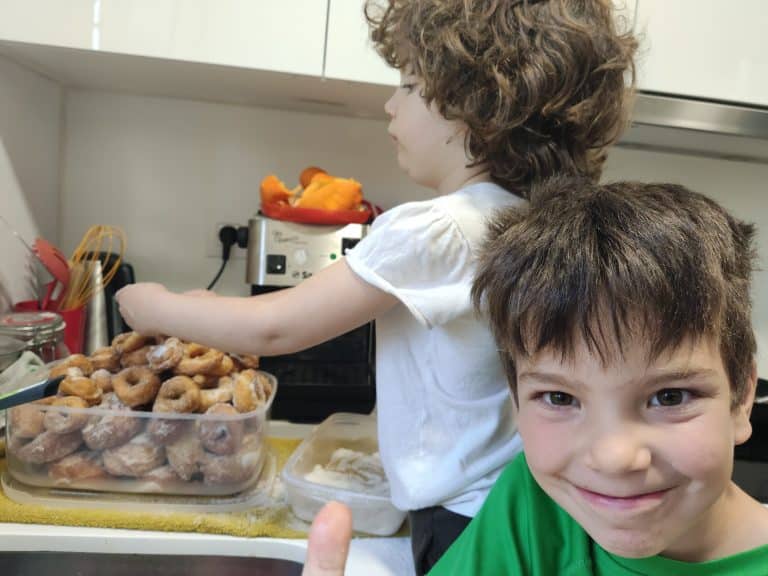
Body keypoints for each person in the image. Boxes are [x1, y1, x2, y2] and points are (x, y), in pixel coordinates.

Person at [116, 1, 636, 571]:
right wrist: (213, 307)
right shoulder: (524, 219)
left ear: (478, 105)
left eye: (410, 84)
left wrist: (155, 306)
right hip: (522, 508)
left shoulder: (437, 228)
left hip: (461, 520)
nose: (390, 104)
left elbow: (275, 326)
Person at [426, 177, 768, 574]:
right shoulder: (535, 504)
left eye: (670, 396)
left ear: (741, 399)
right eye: (560, 398)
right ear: (516, 401)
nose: (615, 459)